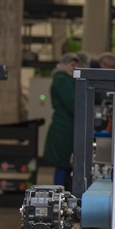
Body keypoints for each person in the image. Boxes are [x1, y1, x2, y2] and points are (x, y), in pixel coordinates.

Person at [42, 50, 89, 187]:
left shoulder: (69, 80)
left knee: (66, 165)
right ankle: (59, 191)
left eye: (77, 64)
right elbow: (73, 103)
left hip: (68, 128)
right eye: (71, 64)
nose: (74, 67)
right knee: (63, 164)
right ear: (64, 65)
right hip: (63, 129)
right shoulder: (62, 79)